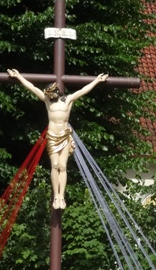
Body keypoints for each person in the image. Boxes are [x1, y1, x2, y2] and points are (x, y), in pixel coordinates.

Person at [7, 69, 108, 209]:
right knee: (55, 165)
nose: (50, 96)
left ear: (56, 91)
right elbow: (32, 88)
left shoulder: (68, 100)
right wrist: (18, 76)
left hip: (64, 135)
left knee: (63, 166)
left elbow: (83, 90)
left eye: (51, 93)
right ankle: (56, 195)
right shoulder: (48, 101)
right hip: (52, 136)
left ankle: (61, 196)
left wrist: (96, 80)